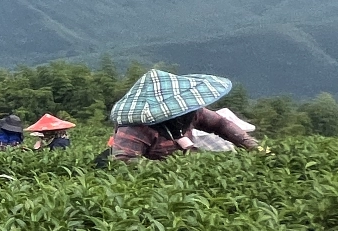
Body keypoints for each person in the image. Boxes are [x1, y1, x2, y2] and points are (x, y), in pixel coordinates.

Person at [103, 69, 261, 164]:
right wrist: (164, 171)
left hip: (182, 165)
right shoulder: (136, 129)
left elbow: (220, 124)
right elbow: (123, 163)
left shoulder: (190, 113)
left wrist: (254, 147)